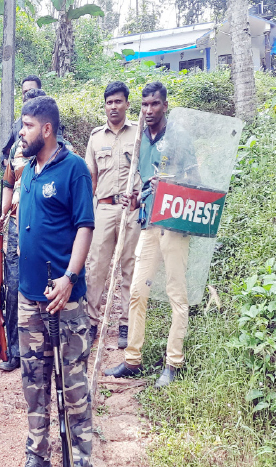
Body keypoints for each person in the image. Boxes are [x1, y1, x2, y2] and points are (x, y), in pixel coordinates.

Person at [13, 96, 96, 467]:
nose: (21, 133)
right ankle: (37, 452)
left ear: (46, 129)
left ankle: (82, 464)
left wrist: (69, 276)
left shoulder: (74, 170)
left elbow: (84, 226)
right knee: (33, 380)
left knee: (73, 383)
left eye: (27, 126)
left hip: (65, 299)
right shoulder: (27, 170)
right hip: (28, 298)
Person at [105, 81, 199, 388]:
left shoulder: (180, 137)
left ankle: (173, 362)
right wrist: (134, 198)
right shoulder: (140, 139)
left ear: (165, 106)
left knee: (176, 294)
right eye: (144, 105)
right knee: (137, 291)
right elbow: (143, 183)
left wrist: (172, 185)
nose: (148, 110)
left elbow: (196, 182)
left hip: (174, 224)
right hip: (148, 223)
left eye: (154, 104)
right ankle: (133, 359)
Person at [0, 87, 53, 372]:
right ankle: (15, 350)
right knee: (14, 285)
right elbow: (8, 183)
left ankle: (46, 346)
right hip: (18, 225)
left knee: (45, 284)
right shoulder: (16, 151)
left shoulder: (57, 149)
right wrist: (3, 213)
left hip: (44, 228)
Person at [83, 81, 140, 348]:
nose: (113, 106)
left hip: (131, 210)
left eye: (118, 101)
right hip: (103, 209)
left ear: (128, 104)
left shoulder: (139, 135)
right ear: (104, 106)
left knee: (129, 267)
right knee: (96, 268)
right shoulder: (96, 138)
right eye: (109, 102)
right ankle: (92, 322)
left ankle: (126, 324)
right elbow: (90, 180)